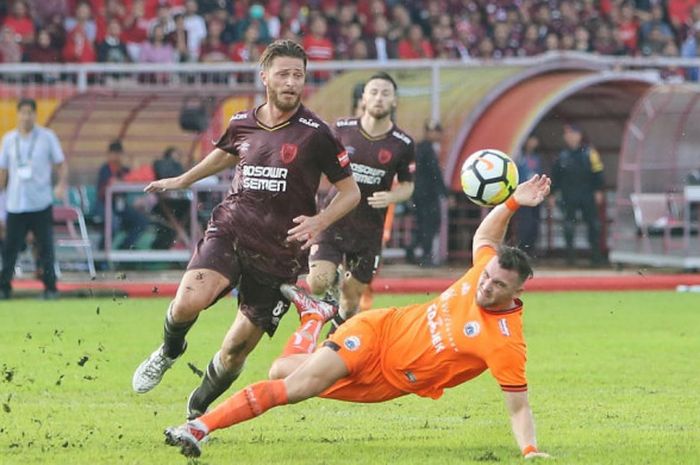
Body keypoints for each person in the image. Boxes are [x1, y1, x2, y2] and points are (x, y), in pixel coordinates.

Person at [163, 175, 553, 460]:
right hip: (377, 330)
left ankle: (314, 318)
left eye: (498, 286)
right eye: (486, 277)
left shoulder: (505, 342)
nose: (485, 286)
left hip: (385, 380)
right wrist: (513, 202)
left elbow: (519, 406)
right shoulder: (482, 270)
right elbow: (484, 238)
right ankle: (198, 428)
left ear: (516, 292)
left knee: (282, 371)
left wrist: (531, 451)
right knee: (295, 389)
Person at [131, 40, 361, 423]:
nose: (291, 82)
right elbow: (225, 152)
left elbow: (350, 192)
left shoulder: (317, 133)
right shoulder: (242, 121)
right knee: (189, 300)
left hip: (281, 253)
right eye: (284, 74)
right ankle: (169, 352)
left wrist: (319, 222)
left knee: (235, 350)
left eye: (298, 75)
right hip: (232, 229)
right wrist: (184, 180)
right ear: (265, 76)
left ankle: (197, 409)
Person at [305, 72, 415, 334]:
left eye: (385, 93)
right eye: (374, 92)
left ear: (395, 101)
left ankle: (333, 339)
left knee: (352, 297)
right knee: (317, 283)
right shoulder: (341, 129)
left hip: (369, 231)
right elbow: (316, 164)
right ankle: (329, 291)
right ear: (363, 98)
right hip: (334, 220)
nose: (379, 98)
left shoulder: (403, 143)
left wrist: (392, 196)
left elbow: (408, 186)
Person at [0, 98, 68, 300]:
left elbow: (61, 164)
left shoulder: (47, 137)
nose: (26, 116)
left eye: (30, 112)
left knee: (45, 247)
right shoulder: (9, 139)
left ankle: (50, 288)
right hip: (16, 203)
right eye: (23, 112)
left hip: (40, 202)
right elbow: (3, 171)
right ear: (18, 114)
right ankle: (4, 287)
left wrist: (60, 185)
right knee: (10, 248)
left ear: (35, 115)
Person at [550, 123, 605, 266]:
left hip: (587, 194)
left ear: (579, 135)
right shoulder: (561, 156)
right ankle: (570, 258)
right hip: (568, 195)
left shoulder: (590, 153)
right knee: (568, 225)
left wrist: (598, 190)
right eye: (567, 134)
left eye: (573, 134)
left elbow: (598, 173)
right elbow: (555, 177)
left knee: (593, 225)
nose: (571, 137)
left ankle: (596, 256)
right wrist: (552, 194)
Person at [405, 120, 449, 267]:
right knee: (429, 224)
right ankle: (424, 255)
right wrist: (445, 193)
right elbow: (434, 173)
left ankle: (413, 251)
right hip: (426, 195)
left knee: (425, 225)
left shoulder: (421, 148)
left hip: (420, 194)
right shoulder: (426, 149)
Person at [95, 140, 149, 250]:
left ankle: (125, 248)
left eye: (118, 153)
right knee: (113, 223)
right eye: (114, 153)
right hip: (104, 205)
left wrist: (134, 167)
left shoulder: (124, 170)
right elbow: (110, 184)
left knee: (141, 221)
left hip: (121, 206)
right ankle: (101, 256)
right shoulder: (105, 169)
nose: (116, 157)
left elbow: (135, 178)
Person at [514, 135, 543, 255]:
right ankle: (522, 250)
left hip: (535, 194)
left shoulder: (537, 158)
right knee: (525, 223)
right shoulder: (518, 157)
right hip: (523, 194)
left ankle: (531, 249)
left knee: (535, 224)